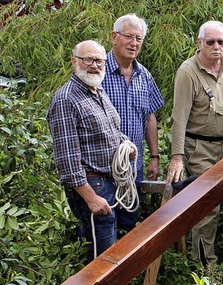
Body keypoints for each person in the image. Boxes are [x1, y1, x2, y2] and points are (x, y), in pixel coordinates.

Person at [47, 40, 136, 262]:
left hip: (111, 181)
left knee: (109, 249)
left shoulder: (97, 91)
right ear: (74, 62)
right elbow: (67, 160)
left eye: (99, 60)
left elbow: (112, 131)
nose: (94, 65)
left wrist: (127, 144)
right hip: (92, 185)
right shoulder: (67, 99)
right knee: (102, 256)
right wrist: (91, 198)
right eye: (88, 59)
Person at [165, 21, 223, 266]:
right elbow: (179, 117)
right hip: (199, 148)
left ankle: (204, 254)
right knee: (207, 204)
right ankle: (203, 265)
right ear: (199, 43)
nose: (216, 47)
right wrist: (177, 157)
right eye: (210, 42)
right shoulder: (187, 72)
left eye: (221, 42)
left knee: (221, 198)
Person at [102, 14, 165, 234]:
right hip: (102, 168)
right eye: (129, 37)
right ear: (114, 37)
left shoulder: (144, 75)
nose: (134, 43)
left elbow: (150, 117)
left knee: (128, 223)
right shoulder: (97, 73)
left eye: (138, 38)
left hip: (133, 167)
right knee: (103, 224)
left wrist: (155, 158)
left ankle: (127, 267)